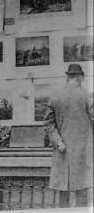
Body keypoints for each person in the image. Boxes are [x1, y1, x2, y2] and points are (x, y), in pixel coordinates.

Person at [44, 64, 93, 208]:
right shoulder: (87, 96)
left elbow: (48, 124)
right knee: (82, 190)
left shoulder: (55, 97)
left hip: (62, 150)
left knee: (63, 192)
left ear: (67, 77)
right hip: (83, 152)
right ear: (81, 77)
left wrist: (58, 141)